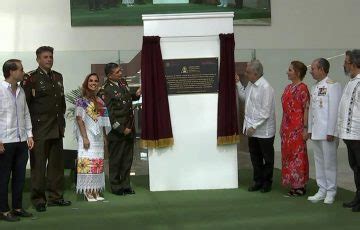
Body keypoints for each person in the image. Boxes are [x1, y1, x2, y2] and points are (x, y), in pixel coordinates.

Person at [21, 46, 71, 212]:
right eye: (45, 57)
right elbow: (25, 105)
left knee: (57, 166)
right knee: (39, 166)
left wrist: (61, 121)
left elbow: (61, 102)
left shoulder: (58, 76)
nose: (49, 59)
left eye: (50, 57)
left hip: (56, 127)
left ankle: (56, 197)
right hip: (39, 129)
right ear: (38, 59)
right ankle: (38, 199)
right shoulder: (31, 78)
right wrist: (28, 130)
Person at [98, 63, 141, 195]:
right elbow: (109, 114)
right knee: (116, 160)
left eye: (120, 70)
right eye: (117, 72)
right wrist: (121, 129)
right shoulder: (106, 90)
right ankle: (116, 187)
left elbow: (126, 100)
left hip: (129, 126)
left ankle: (126, 185)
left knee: (127, 159)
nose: (120, 73)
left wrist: (136, 94)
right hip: (118, 131)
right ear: (110, 75)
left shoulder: (122, 83)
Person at [0, 59, 34, 222]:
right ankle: (3, 210)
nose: (23, 72)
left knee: (19, 176)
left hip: (21, 141)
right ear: (11, 72)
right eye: (20, 69)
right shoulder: (0, 90)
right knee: (3, 177)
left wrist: (30, 135)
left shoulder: (21, 91)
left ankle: (17, 207)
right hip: (5, 142)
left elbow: (26, 114)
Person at [236, 59, 276, 193]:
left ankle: (267, 183)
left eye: (248, 72)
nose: (246, 74)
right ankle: (257, 181)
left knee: (267, 158)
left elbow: (266, 112)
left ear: (256, 73)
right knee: (255, 157)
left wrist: (254, 126)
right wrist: (237, 83)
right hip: (251, 130)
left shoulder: (266, 88)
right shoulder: (250, 85)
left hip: (263, 131)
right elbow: (244, 98)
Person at [307, 58, 342, 204]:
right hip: (316, 131)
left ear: (322, 69)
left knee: (329, 162)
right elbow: (311, 111)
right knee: (319, 161)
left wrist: (332, 131)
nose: (311, 71)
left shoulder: (333, 86)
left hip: (327, 132)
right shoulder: (315, 87)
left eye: (313, 68)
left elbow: (334, 110)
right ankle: (321, 189)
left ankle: (331, 191)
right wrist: (309, 129)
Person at [75, 73, 111, 201]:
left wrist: (105, 138)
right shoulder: (81, 100)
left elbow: (102, 123)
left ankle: (95, 189)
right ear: (86, 82)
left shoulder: (100, 101)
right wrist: (84, 137)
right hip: (87, 135)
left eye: (96, 80)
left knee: (97, 163)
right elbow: (79, 120)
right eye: (91, 80)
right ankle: (87, 191)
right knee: (87, 162)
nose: (93, 83)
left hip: (98, 137)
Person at [280, 61, 310, 196]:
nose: (287, 72)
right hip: (287, 127)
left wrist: (305, 128)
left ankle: (300, 185)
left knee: (298, 155)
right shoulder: (287, 88)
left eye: (290, 70)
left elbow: (306, 109)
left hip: (297, 128)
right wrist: (282, 125)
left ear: (297, 73)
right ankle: (292, 183)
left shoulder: (303, 88)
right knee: (288, 154)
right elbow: (285, 110)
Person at [338, 50, 360, 212]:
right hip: (349, 134)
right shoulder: (351, 82)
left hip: (358, 134)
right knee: (356, 167)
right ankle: (358, 197)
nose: (344, 65)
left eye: (346, 62)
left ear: (353, 64)